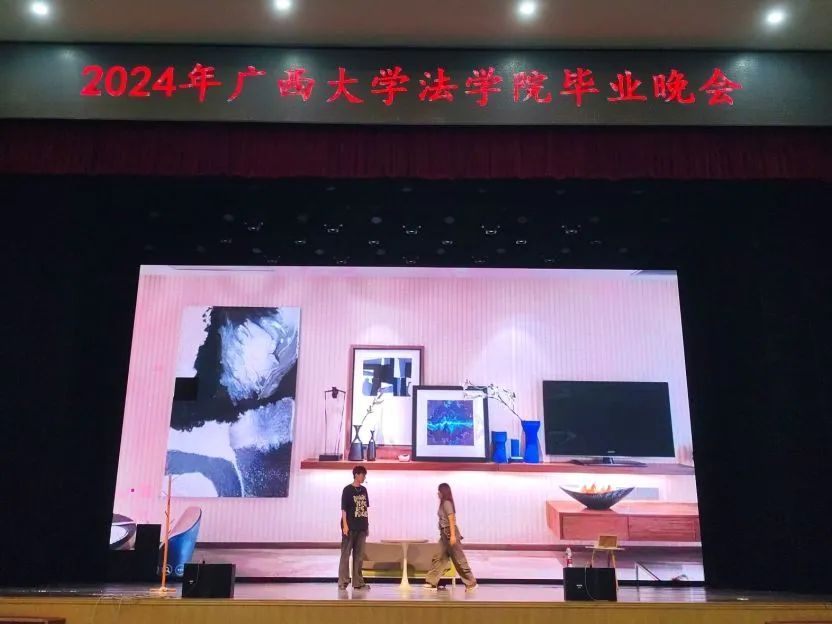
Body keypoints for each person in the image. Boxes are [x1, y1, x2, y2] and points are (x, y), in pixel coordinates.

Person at [424, 482, 477, 591]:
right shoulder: (443, 503)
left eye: (439, 491)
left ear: (443, 492)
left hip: (450, 533)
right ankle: (431, 582)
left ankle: (471, 583)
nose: (438, 493)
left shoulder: (447, 503)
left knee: (459, 559)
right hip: (444, 534)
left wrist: (452, 536)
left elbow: (451, 519)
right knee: (438, 557)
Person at [338, 465, 370, 590]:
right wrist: (345, 525)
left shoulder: (364, 490)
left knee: (359, 556)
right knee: (345, 555)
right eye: (363, 475)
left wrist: (367, 525)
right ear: (356, 474)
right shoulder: (347, 490)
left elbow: (365, 509)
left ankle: (358, 582)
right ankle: (343, 581)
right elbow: (344, 509)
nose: (364, 477)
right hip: (350, 527)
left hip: (361, 527)